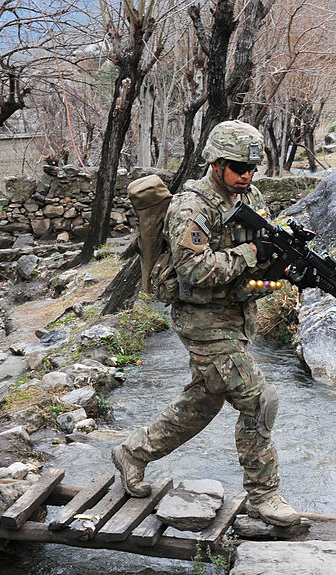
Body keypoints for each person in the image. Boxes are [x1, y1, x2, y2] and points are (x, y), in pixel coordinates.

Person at [111, 120, 301, 527]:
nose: (247, 175)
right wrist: (253, 252)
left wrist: (284, 267)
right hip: (201, 318)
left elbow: (259, 254)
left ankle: (133, 452)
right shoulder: (192, 206)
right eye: (237, 167)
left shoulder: (250, 194)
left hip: (236, 314)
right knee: (259, 399)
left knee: (204, 400)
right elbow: (193, 272)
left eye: (253, 167)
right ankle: (263, 496)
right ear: (216, 164)